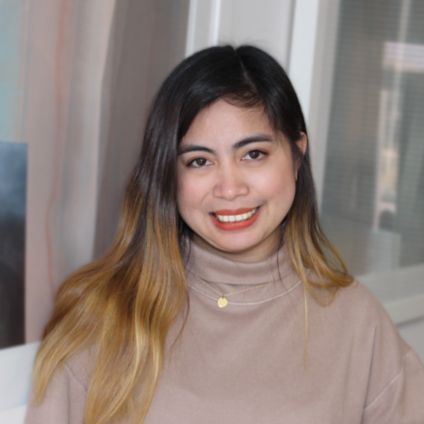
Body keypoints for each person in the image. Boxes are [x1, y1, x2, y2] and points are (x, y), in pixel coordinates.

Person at [25, 45, 424, 424]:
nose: (229, 188)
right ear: (167, 175)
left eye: (253, 154)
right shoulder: (100, 315)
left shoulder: (356, 321)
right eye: (199, 161)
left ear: (297, 153)